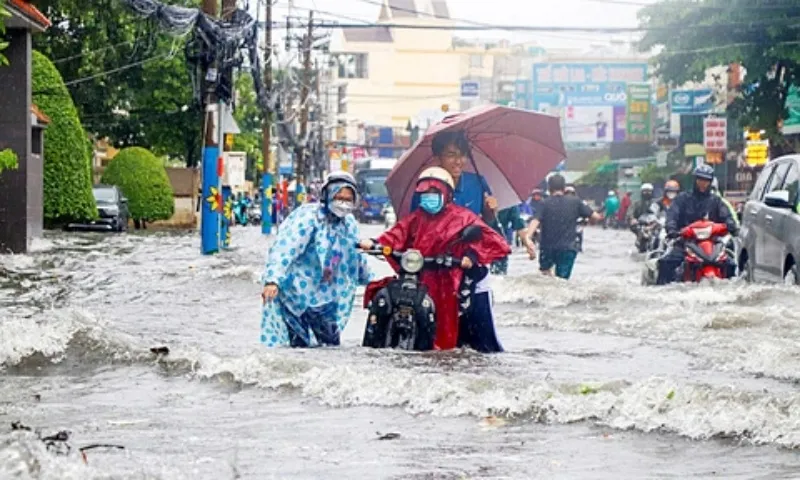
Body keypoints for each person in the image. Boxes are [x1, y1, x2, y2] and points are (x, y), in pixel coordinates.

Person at [362, 167, 510, 352]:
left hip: (449, 278)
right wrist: (373, 243)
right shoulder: (416, 218)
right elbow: (396, 235)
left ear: (447, 194)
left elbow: (494, 242)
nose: (429, 196)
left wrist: (470, 257)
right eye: (425, 192)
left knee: (451, 330)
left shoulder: (463, 217)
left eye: (435, 192)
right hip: (421, 276)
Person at [260, 171, 372, 347]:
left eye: (348, 199)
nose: (343, 203)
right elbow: (285, 248)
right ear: (327, 195)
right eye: (338, 197)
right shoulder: (307, 217)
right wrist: (273, 280)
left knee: (330, 347)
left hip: (326, 297)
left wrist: (373, 283)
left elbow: (354, 256)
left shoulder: (348, 223)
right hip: (296, 294)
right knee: (299, 347)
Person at [656, 165, 739, 285]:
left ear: (710, 182)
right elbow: (672, 216)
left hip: (712, 243)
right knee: (666, 263)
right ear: (695, 180)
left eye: (706, 180)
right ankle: (661, 291)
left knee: (731, 264)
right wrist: (672, 229)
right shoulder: (682, 199)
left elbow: (727, 216)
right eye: (700, 180)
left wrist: (731, 226)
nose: (702, 183)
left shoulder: (716, 201)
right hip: (685, 242)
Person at [526, 174, 601, 280]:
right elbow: (596, 217)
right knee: (562, 281)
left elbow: (535, 221)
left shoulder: (544, 203)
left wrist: (528, 238)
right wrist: (590, 220)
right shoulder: (575, 202)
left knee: (545, 278)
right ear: (564, 188)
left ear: (549, 188)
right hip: (567, 248)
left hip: (547, 248)